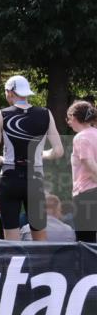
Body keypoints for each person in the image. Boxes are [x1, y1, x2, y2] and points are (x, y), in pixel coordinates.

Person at [0, 75, 64, 241]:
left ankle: (13, 266)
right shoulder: (46, 114)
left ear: (10, 92)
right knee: (40, 238)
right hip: (35, 179)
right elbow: (58, 151)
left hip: (10, 179)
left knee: (11, 239)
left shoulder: (0, 115)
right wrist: (41, 155)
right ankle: (42, 267)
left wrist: (7, 160)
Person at [67, 99, 97, 242]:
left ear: (74, 117)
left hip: (86, 194)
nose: (69, 122)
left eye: (69, 118)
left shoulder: (81, 137)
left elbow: (89, 164)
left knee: (85, 243)